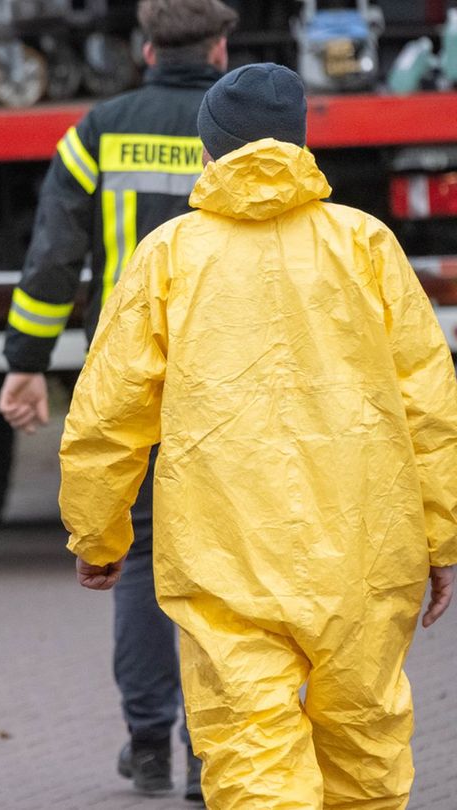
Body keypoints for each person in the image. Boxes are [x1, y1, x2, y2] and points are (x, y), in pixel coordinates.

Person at [61, 62, 457, 809]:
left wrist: (98, 533)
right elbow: (431, 408)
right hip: (366, 549)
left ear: (208, 152)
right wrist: (440, 539)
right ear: (301, 147)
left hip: (223, 558)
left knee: (252, 760)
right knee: (366, 753)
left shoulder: (170, 256)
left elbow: (108, 416)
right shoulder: (366, 245)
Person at [0, 0, 237, 799]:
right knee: (221, 563)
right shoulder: (243, 126)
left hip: (131, 375)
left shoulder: (99, 129)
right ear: (220, 45)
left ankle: (148, 745)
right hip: (228, 377)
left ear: (143, 49)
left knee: (138, 558)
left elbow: (54, 253)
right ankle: (212, 753)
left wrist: (26, 362)